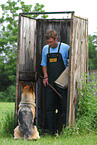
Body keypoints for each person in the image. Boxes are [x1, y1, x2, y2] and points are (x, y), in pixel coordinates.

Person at [41, 29, 70, 133]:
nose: (49, 44)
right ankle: (50, 130)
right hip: (50, 83)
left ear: (56, 38)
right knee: (49, 107)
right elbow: (43, 63)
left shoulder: (66, 48)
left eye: (51, 42)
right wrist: (45, 77)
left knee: (64, 107)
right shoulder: (45, 49)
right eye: (48, 42)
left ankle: (64, 130)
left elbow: (70, 64)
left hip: (62, 83)